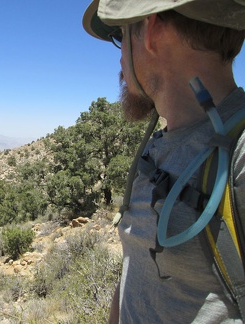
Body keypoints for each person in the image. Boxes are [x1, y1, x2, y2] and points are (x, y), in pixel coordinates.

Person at [82, 0, 245, 322]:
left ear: (152, 30)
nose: (118, 57)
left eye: (120, 35)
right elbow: (136, 269)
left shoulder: (238, 155)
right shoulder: (158, 146)